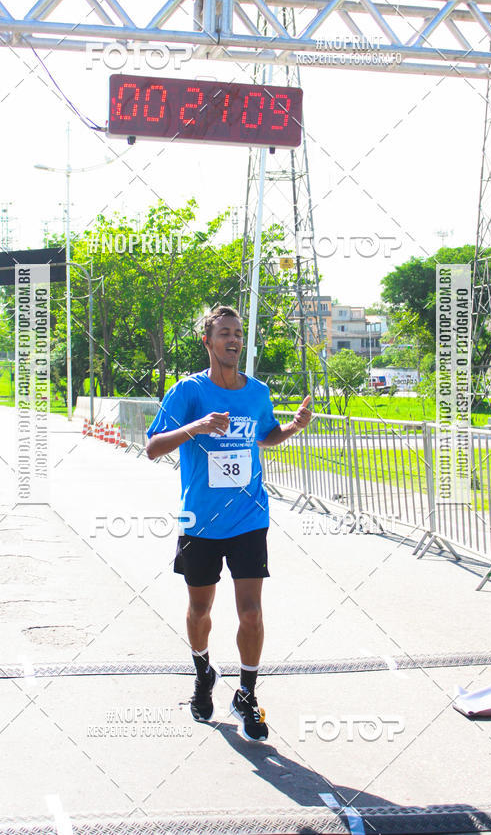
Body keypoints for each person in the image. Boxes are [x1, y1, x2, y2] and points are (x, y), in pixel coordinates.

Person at [146, 306, 312, 741]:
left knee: (252, 612)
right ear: (208, 341)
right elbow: (151, 447)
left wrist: (292, 427)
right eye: (224, 333)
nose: (233, 340)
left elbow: (265, 434)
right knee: (200, 610)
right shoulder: (187, 392)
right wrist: (197, 426)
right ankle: (203, 673)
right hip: (199, 521)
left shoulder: (257, 392)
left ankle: (246, 693)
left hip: (249, 517)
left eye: (238, 333)